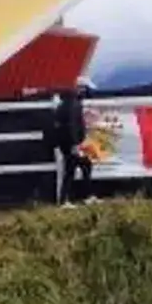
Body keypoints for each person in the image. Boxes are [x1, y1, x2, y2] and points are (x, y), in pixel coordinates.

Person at [49, 77, 94, 207]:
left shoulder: (66, 103)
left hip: (67, 142)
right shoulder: (74, 104)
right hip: (72, 143)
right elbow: (73, 125)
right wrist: (75, 143)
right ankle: (70, 199)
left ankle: (79, 197)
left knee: (79, 167)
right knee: (77, 168)